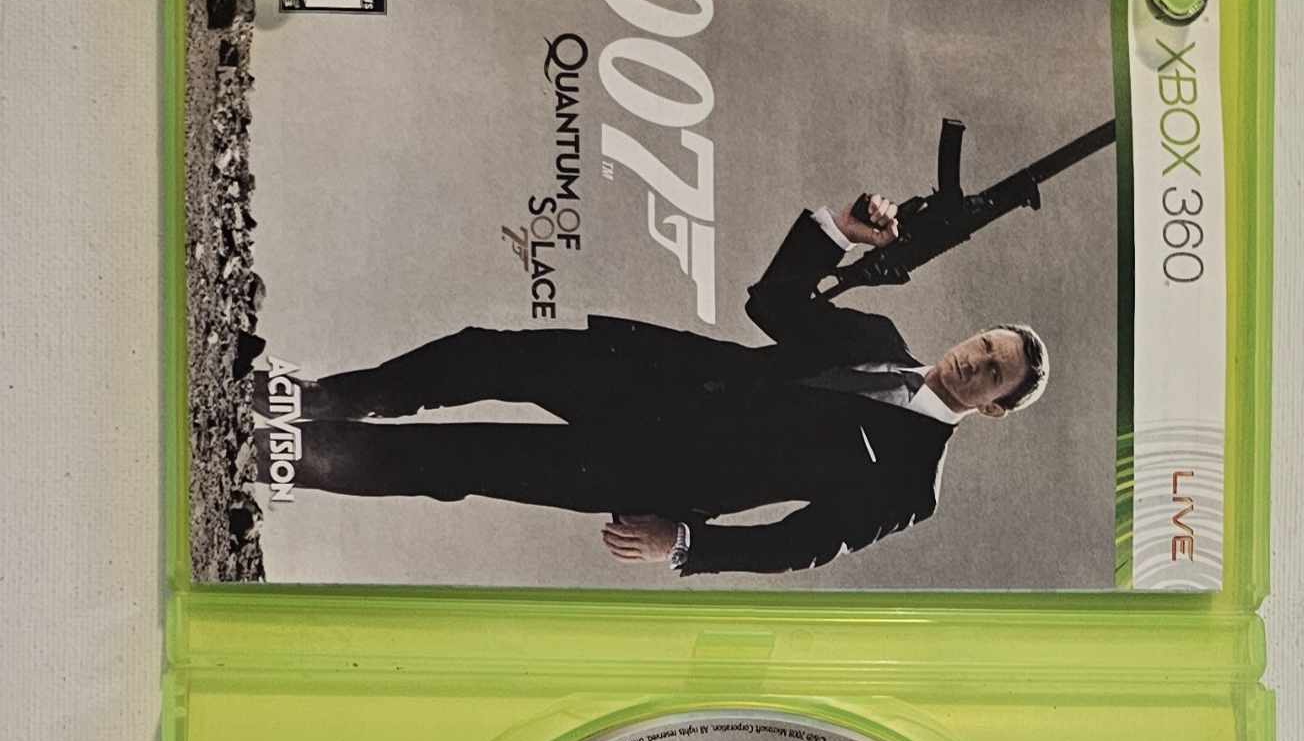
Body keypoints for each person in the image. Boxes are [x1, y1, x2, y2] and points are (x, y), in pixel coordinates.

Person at [252, 196, 1049, 578]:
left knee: (464, 462)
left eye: (992, 373)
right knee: (478, 355)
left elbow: (801, 543)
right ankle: (314, 399)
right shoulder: (877, 339)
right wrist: (839, 231)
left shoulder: (912, 486)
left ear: (994, 408)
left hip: (654, 473)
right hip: (648, 378)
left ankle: (288, 456)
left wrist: (687, 544)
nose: (972, 362)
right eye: (983, 345)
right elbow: (773, 305)